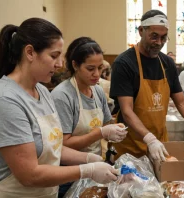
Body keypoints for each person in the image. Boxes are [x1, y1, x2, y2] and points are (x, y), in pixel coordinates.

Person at [0, 18, 117, 198]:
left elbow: (53, 147)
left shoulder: (42, 91)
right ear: (30, 52)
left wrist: (89, 158)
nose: (59, 64)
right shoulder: (5, 99)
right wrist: (86, 170)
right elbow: (29, 175)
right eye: (54, 56)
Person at [110, 10, 184, 162]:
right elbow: (127, 110)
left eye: (163, 38)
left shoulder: (167, 64)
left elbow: (181, 102)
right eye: (154, 36)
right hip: (131, 147)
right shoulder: (124, 63)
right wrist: (149, 138)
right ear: (141, 31)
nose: (159, 42)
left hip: (159, 145)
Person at [51, 37, 127, 196]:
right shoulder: (63, 96)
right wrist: (100, 133)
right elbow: (63, 144)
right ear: (75, 65)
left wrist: (115, 130)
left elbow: (106, 123)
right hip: (69, 172)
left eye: (100, 68)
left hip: (95, 166)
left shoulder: (97, 91)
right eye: (90, 68)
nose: (97, 74)